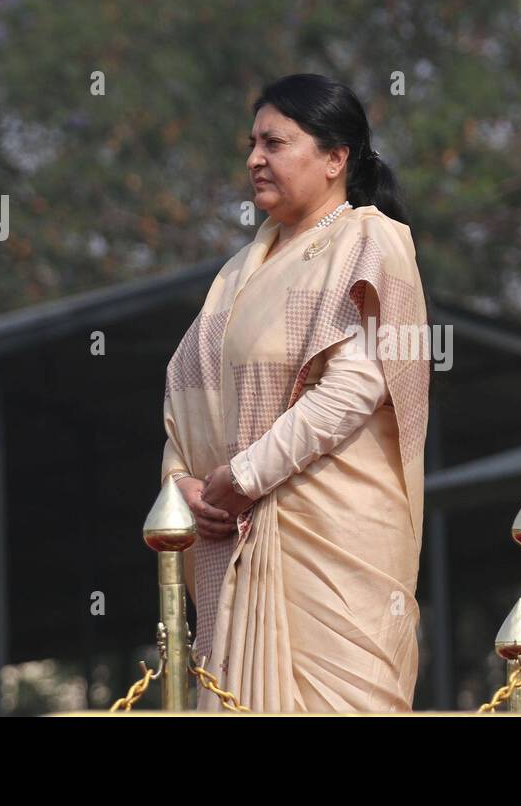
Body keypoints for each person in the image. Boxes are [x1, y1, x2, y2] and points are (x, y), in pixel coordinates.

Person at [160, 74, 430, 712]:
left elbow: (356, 387)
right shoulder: (234, 276)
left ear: (337, 158)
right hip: (234, 544)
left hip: (336, 547)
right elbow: (187, 398)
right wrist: (184, 485)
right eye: (252, 144)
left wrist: (246, 475)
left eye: (275, 143)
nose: (255, 159)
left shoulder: (370, 238)